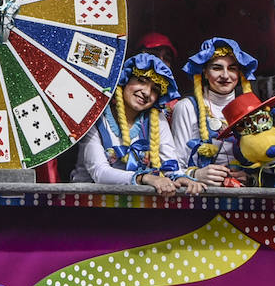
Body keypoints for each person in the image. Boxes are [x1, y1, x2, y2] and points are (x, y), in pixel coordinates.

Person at [71, 53, 199, 195]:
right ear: (124, 80)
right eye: (141, 81)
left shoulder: (157, 119)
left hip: (133, 204)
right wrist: (143, 178)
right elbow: (100, 173)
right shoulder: (96, 116)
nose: (146, 92)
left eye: (155, 89)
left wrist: (181, 178)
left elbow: (170, 164)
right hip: (86, 204)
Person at [172, 37, 260, 187]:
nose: (225, 75)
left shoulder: (253, 108)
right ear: (205, 73)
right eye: (217, 68)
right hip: (199, 199)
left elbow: (266, 159)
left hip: (244, 200)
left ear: (239, 74)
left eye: (232, 68)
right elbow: (174, 166)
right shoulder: (186, 107)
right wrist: (196, 175)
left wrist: (251, 178)